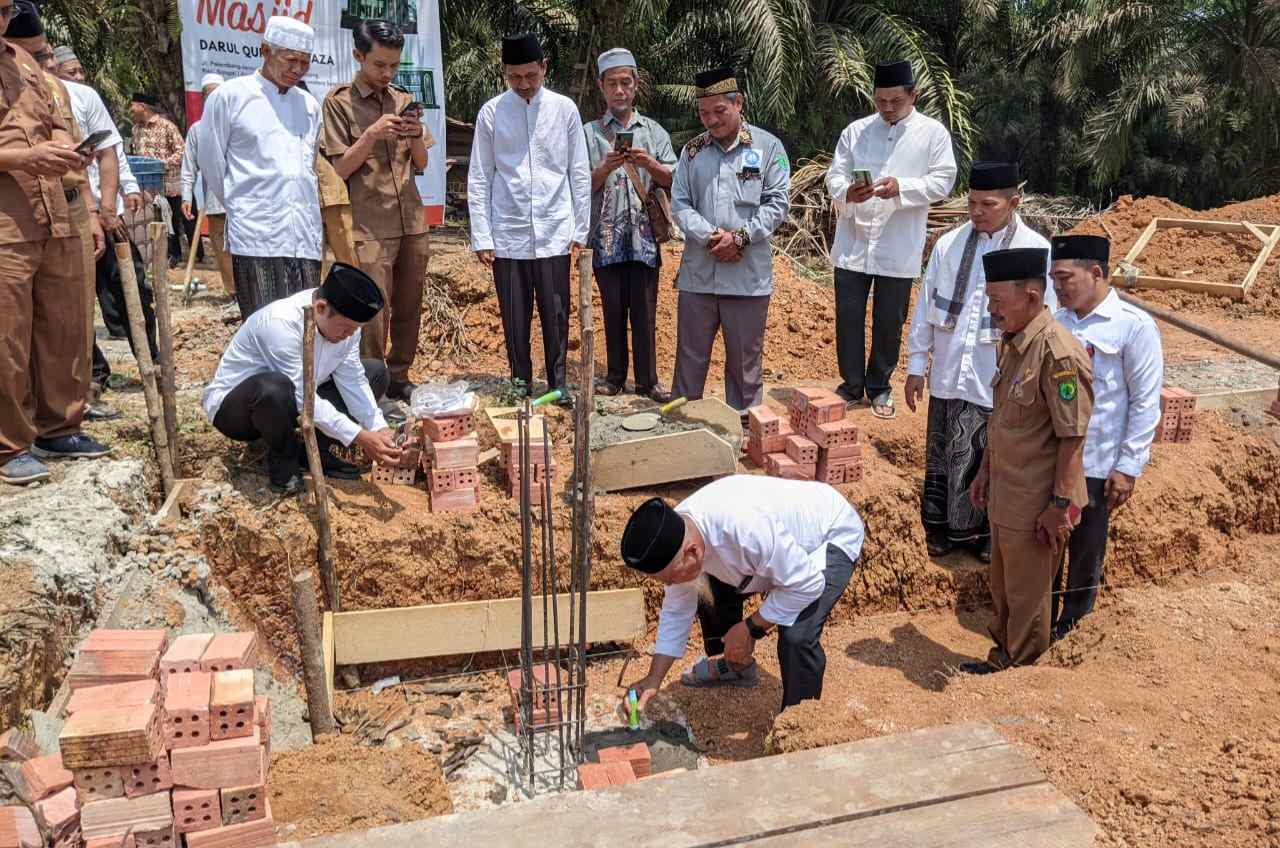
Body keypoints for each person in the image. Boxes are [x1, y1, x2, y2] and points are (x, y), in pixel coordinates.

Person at [905, 162, 1054, 562]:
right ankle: (942, 530)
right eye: (971, 203)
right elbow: (924, 306)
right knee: (944, 452)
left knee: (994, 457)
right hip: (951, 371)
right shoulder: (948, 245)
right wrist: (917, 365)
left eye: (988, 204)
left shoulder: (1036, 250)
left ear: (1014, 202)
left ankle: (987, 535)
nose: (977, 212)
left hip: (998, 377)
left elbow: (1045, 320)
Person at [618, 476, 865, 711]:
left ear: (692, 552)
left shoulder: (745, 529)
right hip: (774, 558)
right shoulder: (679, 533)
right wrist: (653, 678)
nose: (670, 584)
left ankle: (799, 721)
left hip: (827, 537)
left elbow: (808, 584)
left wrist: (751, 627)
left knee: (796, 634)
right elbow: (677, 610)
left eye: (671, 577)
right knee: (702, 586)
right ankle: (737, 665)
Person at [964, 247, 1093, 673]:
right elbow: (1004, 419)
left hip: (1038, 501)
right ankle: (1004, 657)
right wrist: (983, 470)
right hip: (1007, 489)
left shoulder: (1058, 354)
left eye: (999, 302)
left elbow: (1072, 438)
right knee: (1004, 587)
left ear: (1033, 298)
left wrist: (1058, 507)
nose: (992, 310)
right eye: (989, 301)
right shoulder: (1015, 343)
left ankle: (1022, 674)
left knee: (1028, 595)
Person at [0, 0, 110, 485]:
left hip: (53, 207)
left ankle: (59, 425)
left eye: (6, 10)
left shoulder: (22, 61)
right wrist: (22, 158)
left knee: (64, 323)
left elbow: (56, 117)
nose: (2, 19)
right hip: (8, 216)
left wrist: (65, 145)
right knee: (8, 333)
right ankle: (8, 444)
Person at [825, 59, 957, 419]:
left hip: (898, 245)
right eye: (880, 101)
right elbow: (834, 175)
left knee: (889, 320)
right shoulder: (856, 131)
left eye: (894, 101)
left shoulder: (933, 134)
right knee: (848, 315)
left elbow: (944, 180)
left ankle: (880, 386)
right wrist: (848, 193)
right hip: (853, 242)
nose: (886, 108)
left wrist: (903, 188)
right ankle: (851, 385)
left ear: (912, 95)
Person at [202, 263, 404, 493]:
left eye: (354, 330)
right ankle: (284, 463)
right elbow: (301, 397)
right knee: (274, 388)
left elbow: (353, 380)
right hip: (240, 410)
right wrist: (358, 436)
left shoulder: (347, 326)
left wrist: (378, 427)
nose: (349, 335)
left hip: (300, 398)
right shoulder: (280, 324)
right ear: (320, 307)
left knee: (375, 373)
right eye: (345, 329)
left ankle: (312, 453)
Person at [1050, 235, 1162, 638]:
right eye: (1054, 279)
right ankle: (1040, 627)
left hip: (1098, 463)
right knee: (1048, 546)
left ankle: (1074, 629)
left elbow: (1146, 401)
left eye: (1065, 278)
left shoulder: (1132, 327)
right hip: (1055, 460)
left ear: (1096, 273)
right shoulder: (1055, 323)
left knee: (1085, 552)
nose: (1058, 287)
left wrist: (1129, 466)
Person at [467, 32, 590, 403]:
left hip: (555, 228)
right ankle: (520, 383)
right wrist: (482, 236)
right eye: (515, 78)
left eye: (530, 77)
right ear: (505, 73)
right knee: (514, 315)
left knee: (555, 313)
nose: (523, 85)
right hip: (508, 231)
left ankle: (557, 384)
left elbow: (578, 171)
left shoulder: (564, 109)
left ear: (544, 68)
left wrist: (580, 227)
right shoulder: (491, 112)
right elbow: (479, 175)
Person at [323, 19, 433, 402]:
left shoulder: (403, 100)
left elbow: (422, 162)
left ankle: (400, 375)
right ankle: (372, 384)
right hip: (369, 226)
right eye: (379, 65)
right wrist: (371, 135)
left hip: (412, 222)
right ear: (358, 56)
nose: (387, 73)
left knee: (409, 306)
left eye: (393, 65)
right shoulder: (338, 103)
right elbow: (339, 169)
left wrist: (416, 135)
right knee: (373, 315)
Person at [670, 67, 790, 414]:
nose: (711, 120)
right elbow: (679, 202)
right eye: (704, 113)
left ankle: (743, 430)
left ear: (739, 103)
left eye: (719, 111)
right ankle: (682, 426)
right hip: (699, 277)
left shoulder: (769, 148)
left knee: (744, 364)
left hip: (746, 278)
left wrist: (741, 237)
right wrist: (711, 238)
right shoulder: (692, 152)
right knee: (689, 360)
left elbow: (778, 202)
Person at [200, 16, 323, 321]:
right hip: (256, 233)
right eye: (291, 59)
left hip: (303, 234)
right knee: (263, 324)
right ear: (266, 51)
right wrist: (245, 206)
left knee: (304, 325)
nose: (297, 69)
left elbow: (307, 167)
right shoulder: (230, 97)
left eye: (305, 63)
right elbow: (212, 163)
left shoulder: (309, 105)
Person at [582, 47, 675, 402]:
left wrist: (648, 164)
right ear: (602, 88)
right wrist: (605, 167)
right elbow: (580, 185)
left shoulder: (653, 131)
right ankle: (615, 377)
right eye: (612, 84)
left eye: (626, 83)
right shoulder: (589, 134)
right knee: (612, 310)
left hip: (645, 239)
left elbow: (673, 178)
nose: (619, 90)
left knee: (645, 310)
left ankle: (648, 380)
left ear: (635, 85)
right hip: (605, 239)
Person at [180, 73, 234, 298]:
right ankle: (233, 293)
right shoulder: (197, 130)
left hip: (244, 201)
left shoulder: (237, 123)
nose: (212, 98)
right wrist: (186, 196)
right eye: (207, 94)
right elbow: (189, 165)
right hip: (215, 202)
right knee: (222, 250)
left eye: (216, 93)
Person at [128, 91, 193, 266]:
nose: (130, 110)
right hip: (147, 186)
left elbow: (182, 150)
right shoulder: (136, 129)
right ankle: (160, 255)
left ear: (142, 107)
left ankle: (177, 255)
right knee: (153, 219)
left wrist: (163, 164)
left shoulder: (166, 126)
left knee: (172, 219)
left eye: (133, 105)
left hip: (168, 183)